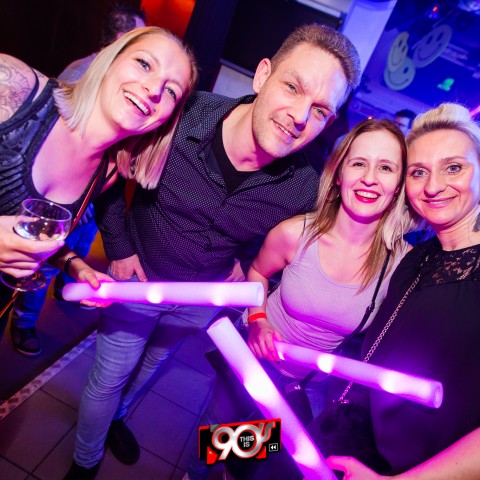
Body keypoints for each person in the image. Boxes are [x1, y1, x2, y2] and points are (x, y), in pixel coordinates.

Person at [67, 23, 362, 480]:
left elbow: (278, 245)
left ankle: (119, 419)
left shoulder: (304, 188)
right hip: (137, 281)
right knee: (108, 377)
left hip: (197, 301)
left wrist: (245, 264)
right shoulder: (182, 116)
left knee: (151, 367)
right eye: (293, 86)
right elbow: (110, 168)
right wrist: (119, 247)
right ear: (262, 75)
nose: (300, 115)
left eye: (321, 110)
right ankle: (84, 464)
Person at [187, 118, 414, 480]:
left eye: (385, 167)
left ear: (400, 184)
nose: (370, 178)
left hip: (308, 382)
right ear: (338, 174)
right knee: (217, 431)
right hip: (252, 360)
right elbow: (257, 273)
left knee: (258, 448)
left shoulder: (401, 265)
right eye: (359, 163)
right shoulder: (296, 233)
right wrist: (258, 321)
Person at [310, 102, 480, 479]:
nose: (433, 186)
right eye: (419, 172)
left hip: (414, 472)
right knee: (240, 445)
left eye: (454, 167)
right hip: (347, 436)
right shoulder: (416, 258)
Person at [0, 26, 198, 339]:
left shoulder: (106, 174)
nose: (153, 89)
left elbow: (33, 235)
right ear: (110, 58)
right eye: (144, 63)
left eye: (171, 90)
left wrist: (75, 265)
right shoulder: (14, 88)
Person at [9, 2, 148, 358]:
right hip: (62, 200)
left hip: (86, 202)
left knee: (69, 248)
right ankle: (24, 322)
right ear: (120, 40)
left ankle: (62, 288)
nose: (151, 87)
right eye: (142, 56)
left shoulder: (109, 168)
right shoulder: (57, 79)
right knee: (39, 266)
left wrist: (76, 265)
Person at [58, 1, 146, 83]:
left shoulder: (105, 72)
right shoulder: (82, 73)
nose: (143, 42)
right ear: (121, 39)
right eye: (138, 37)